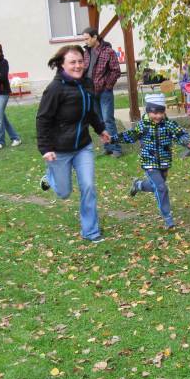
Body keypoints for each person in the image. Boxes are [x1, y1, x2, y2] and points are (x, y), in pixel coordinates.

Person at [36, 45, 110, 243]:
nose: (78, 66)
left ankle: (90, 231)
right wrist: (45, 148)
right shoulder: (55, 89)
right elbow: (43, 119)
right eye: (72, 62)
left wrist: (100, 129)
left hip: (83, 147)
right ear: (62, 65)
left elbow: (90, 111)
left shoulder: (87, 83)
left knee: (88, 187)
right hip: (60, 150)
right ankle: (50, 176)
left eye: (80, 61)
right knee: (64, 193)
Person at [112, 93, 190, 230]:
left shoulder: (169, 125)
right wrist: (113, 139)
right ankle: (168, 218)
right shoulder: (142, 126)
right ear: (148, 111)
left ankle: (138, 185)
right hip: (149, 161)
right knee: (161, 187)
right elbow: (130, 136)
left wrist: (188, 142)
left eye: (161, 112)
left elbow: (180, 134)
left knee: (157, 186)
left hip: (164, 162)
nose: (158, 116)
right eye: (154, 113)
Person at [82, 27, 122, 157]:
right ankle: (108, 147)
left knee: (108, 120)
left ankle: (116, 149)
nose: (85, 41)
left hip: (104, 92)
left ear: (95, 37)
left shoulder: (108, 51)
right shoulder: (86, 52)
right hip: (91, 92)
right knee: (99, 122)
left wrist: (107, 86)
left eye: (87, 38)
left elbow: (116, 71)